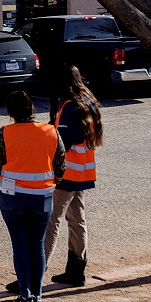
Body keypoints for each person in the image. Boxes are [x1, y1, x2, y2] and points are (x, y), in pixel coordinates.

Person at [0, 90, 65, 302]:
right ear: (32, 109)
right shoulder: (50, 131)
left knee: (20, 246)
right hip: (42, 197)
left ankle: (25, 296)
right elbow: (61, 163)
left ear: (10, 113)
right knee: (37, 246)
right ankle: (37, 295)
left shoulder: (5, 133)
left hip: (13, 197)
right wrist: (53, 182)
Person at [44, 64, 103, 287]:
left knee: (51, 221)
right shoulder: (89, 102)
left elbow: (63, 142)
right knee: (77, 220)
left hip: (67, 172)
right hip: (82, 171)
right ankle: (76, 270)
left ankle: (34, 274)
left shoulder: (70, 106)